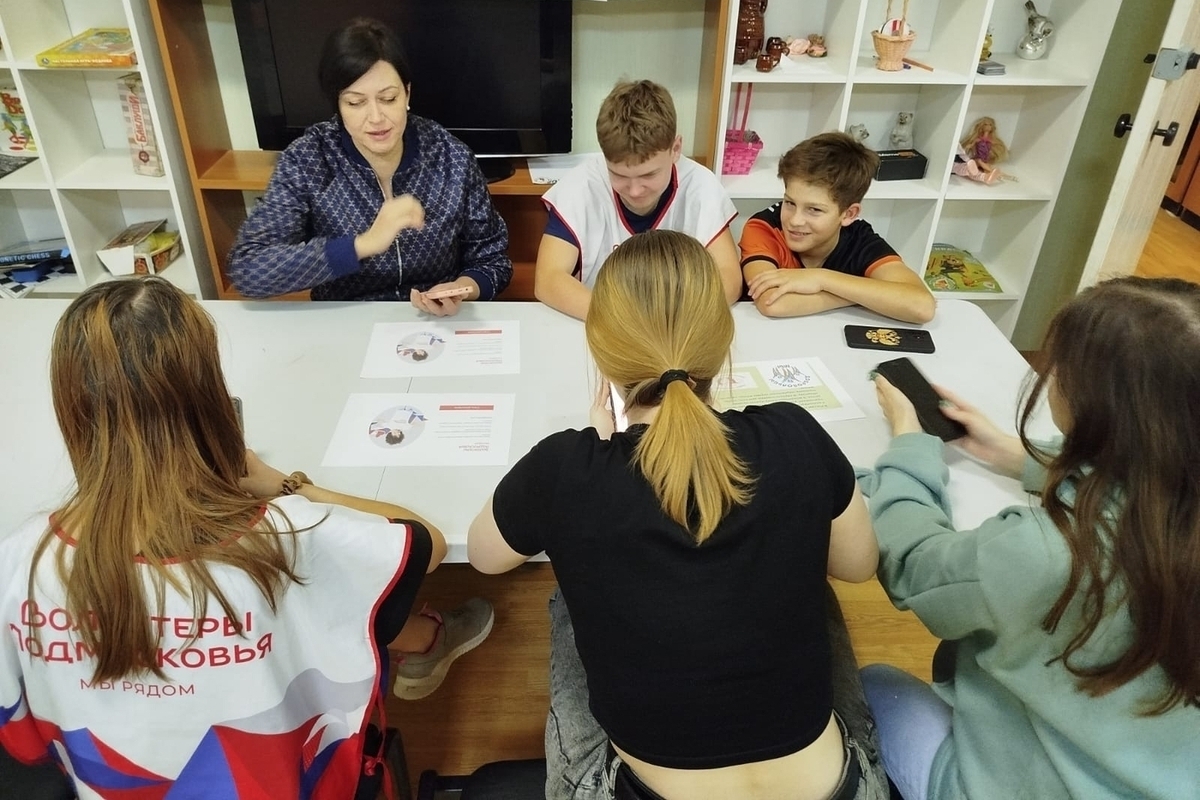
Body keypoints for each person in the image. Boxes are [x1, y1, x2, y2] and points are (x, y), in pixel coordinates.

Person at [0, 276, 493, 798]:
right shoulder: (286, 538)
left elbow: (26, 742)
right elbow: (425, 542)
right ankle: (426, 637)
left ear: (71, 409)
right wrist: (289, 486)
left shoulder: (20, 562)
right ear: (211, 399)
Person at [469, 230, 887, 800]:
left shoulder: (566, 468)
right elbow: (858, 566)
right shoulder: (795, 432)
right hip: (838, 787)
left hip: (637, 788)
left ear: (601, 352)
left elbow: (486, 557)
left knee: (570, 589)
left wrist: (592, 449)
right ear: (722, 340)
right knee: (812, 576)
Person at [860, 276, 1200, 800]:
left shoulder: (1042, 552)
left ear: (1097, 402)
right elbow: (1146, 479)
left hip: (1018, 784)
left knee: (872, 684)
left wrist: (910, 445)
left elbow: (913, 564)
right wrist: (1024, 458)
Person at [227, 17, 512, 314]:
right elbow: (248, 270)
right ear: (338, 104)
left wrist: (462, 290)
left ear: (407, 94)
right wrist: (363, 244)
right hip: (346, 318)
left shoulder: (450, 157)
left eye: (388, 99)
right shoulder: (308, 160)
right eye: (355, 103)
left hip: (432, 322)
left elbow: (492, 259)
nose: (376, 118)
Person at [534, 80, 742, 320]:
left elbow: (730, 279)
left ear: (675, 149)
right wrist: (625, 321)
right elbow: (548, 279)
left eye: (649, 175)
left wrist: (677, 319)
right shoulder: (579, 187)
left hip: (677, 324)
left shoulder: (701, 187)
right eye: (619, 175)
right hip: (603, 323)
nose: (634, 191)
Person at [739, 132, 935, 323]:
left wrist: (821, 279)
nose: (795, 220)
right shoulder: (764, 227)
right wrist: (864, 295)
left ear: (849, 214)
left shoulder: (858, 237)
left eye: (814, 209)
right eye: (789, 203)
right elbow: (772, 303)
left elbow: (922, 306)